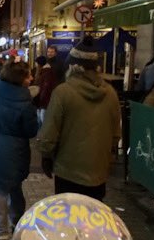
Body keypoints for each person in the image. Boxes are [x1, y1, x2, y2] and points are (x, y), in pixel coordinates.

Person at [38, 36, 121, 201]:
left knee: (69, 218)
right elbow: (116, 133)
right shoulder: (110, 93)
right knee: (92, 220)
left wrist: (46, 156)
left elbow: (49, 133)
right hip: (98, 171)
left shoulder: (63, 92)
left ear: (72, 66)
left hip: (68, 171)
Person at [0, 59, 38, 240]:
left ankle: (0, 237)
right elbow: (31, 130)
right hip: (16, 150)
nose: (31, 78)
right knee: (14, 189)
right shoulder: (24, 100)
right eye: (28, 75)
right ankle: (18, 225)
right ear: (20, 78)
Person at [33, 54, 58, 126]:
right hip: (41, 100)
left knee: (42, 119)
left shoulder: (46, 72)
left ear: (40, 64)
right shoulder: (44, 71)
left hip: (44, 100)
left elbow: (46, 87)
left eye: (37, 63)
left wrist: (41, 98)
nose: (36, 65)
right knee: (40, 118)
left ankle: (42, 134)